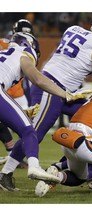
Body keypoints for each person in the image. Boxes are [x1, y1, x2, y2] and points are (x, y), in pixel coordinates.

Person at [0, 14, 92, 191]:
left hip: (64, 90)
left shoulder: (73, 29)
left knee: (91, 119)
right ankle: (6, 173)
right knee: (35, 132)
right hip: (53, 88)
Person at [0, 32, 91, 191]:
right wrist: (65, 94)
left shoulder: (5, 54)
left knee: (26, 125)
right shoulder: (22, 54)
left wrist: (20, 112)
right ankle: (34, 167)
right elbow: (38, 79)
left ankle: (5, 176)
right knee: (29, 130)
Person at [0, 19, 34, 165]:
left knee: (29, 126)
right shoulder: (5, 43)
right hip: (4, 89)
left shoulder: (24, 47)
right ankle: (14, 155)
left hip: (17, 92)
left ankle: (17, 157)